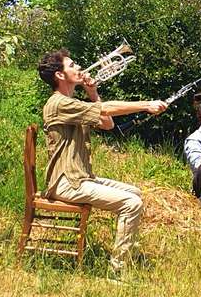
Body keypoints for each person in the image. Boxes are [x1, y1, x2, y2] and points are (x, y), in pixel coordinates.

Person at [37, 48, 167, 273]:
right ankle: (118, 270)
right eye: (72, 65)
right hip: (66, 182)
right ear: (59, 75)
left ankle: (127, 253)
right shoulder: (58, 103)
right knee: (131, 203)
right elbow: (106, 110)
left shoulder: (72, 103)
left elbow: (108, 125)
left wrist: (93, 93)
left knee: (135, 193)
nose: (78, 67)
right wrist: (145, 104)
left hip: (80, 177)